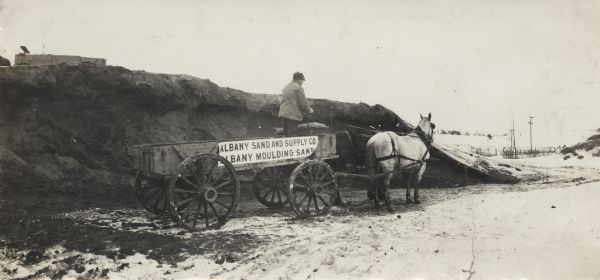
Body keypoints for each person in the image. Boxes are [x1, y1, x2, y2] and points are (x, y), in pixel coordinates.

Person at [278, 72, 313, 136]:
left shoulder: (286, 87)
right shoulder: (298, 88)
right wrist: (309, 110)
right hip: (292, 116)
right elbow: (303, 103)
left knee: (286, 136)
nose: (302, 82)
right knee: (293, 136)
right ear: (298, 80)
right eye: (302, 80)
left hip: (283, 115)